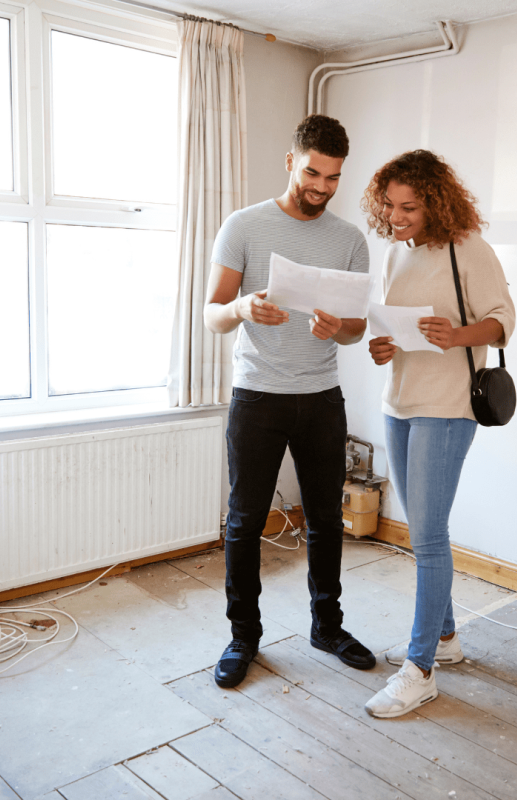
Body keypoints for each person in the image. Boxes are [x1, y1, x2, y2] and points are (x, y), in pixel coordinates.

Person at [204, 115, 376, 689]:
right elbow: (212, 314)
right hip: (257, 397)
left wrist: (340, 330)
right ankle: (243, 637)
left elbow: (355, 328)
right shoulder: (244, 226)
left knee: (327, 518)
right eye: (312, 172)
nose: (322, 187)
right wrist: (243, 309)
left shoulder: (349, 240)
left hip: (322, 397)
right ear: (290, 161)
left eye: (333, 177)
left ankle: (327, 626)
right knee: (246, 521)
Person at [360, 150, 515, 718]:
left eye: (410, 207)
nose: (397, 218)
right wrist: (381, 346)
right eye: (390, 207)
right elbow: (387, 327)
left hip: (448, 406)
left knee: (426, 536)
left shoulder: (468, 249)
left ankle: (420, 668)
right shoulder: (394, 253)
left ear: (436, 202)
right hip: (398, 400)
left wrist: (458, 336)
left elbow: (504, 320)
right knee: (420, 527)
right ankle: (446, 638)